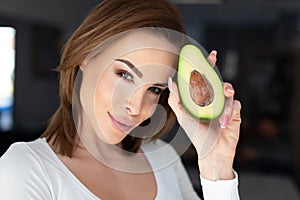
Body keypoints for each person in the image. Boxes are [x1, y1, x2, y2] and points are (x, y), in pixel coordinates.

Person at [0, 0, 242, 199]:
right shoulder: (25, 169)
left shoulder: (163, 159)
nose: (136, 107)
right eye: (124, 74)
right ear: (86, 55)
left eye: (155, 90)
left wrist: (216, 166)